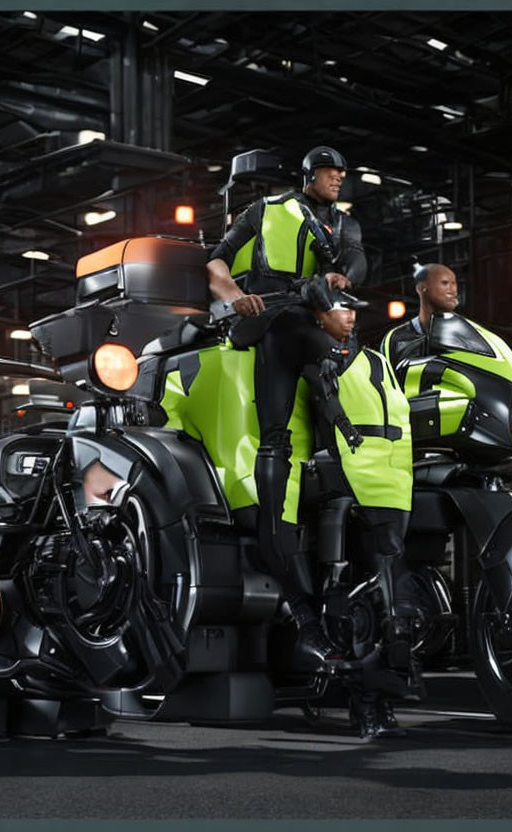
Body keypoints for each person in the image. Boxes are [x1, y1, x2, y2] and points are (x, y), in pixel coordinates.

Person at [205, 145, 368, 669]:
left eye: (342, 172)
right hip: (275, 323)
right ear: (308, 174)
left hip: (320, 322)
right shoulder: (266, 209)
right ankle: (302, 605)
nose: (338, 177)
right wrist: (234, 294)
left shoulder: (343, 228)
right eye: (329, 171)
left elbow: (358, 261)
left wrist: (344, 279)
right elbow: (215, 258)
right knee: (277, 437)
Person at [308, 298, 422, 738]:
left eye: (354, 308)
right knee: (376, 593)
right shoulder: (321, 360)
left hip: (395, 480)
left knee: (389, 588)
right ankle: (368, 703)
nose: (351, 315)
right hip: (355, 478)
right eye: (340, 308)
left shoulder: (377, 359)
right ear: (320, 315)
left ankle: (378, 700)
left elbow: (400, 417)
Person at [379, 263, 459, 366]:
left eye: (454, 283)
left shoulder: (468, 335)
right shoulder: (396, 338)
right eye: (445, 283)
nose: (453, 290)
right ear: (421, 288)